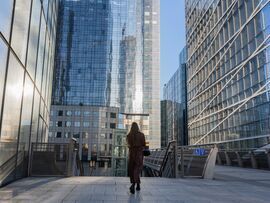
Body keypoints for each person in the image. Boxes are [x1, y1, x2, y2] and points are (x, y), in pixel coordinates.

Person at [127, 122, 146, 194]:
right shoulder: (141, 135)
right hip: (139, 154)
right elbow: (144, 144)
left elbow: (128, 144)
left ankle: (137, 185)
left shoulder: (129, 135)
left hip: (132, 154)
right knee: (137, 169)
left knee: (132, 170)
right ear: (137, 127)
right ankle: (134, 184)